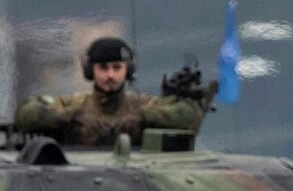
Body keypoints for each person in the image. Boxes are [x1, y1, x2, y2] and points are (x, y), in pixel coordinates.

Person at [13, 36, 208, 146]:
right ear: (91, 71)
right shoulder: (74, 104)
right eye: (103, 68)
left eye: (117, 68)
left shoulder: (142, 105)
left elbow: (190, 114)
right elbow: (25, 112)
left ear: (127, 70)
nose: (110, 75)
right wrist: (71, 116)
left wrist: (143, 117)